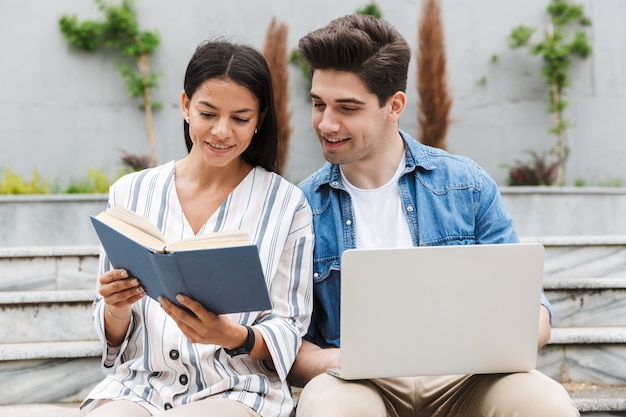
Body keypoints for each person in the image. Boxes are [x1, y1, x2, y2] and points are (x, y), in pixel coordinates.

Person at [288, 14, 579, 417]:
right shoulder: (300, 207)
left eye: (347, 108)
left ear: (395, 106)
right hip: (358, 384)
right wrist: (333, 361)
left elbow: (534, 310)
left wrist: (515, 335)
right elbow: (287, 338)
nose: (327, 123)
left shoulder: (466, 185)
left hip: (466, 381)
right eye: (318, 104)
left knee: (544, 402)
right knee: (328, 406)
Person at [81, 39, 313, 417]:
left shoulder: (287, 205)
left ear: (259, 120)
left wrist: (230, 336)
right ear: (186, 105)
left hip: (236, 390)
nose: (222, 131)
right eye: (208, 114)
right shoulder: (129, 192)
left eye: (240, 118)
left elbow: (290, 325)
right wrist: (115, 307)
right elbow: (109, 328)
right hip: (140, 387)